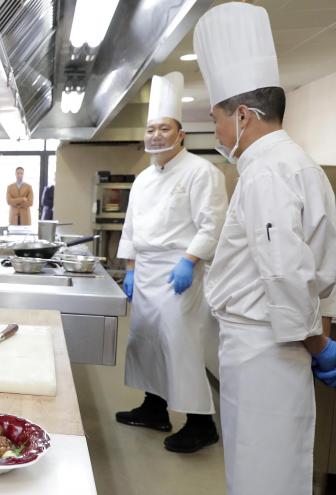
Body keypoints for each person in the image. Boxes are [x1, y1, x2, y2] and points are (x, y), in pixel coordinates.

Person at [195, 4, 336, 493]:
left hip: (266, 347)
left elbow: (286, 271)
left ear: (242, 115)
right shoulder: (293, 163)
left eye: (215, 119)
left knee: (263, 471)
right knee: (268, 464)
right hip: (271, 342)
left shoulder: (266, 172)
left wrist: (317, 342)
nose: (215, 132)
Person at [115, 71, 228, 454]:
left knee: (179, 345)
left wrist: (188, 260)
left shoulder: (202, 172)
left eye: (164, 128)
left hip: (181, 272)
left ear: (181, 134)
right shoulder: (144, 178)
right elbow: (130, 228)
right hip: (145, 271)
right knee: (146, 340)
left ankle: (201, 424)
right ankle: (154, 408)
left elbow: (213, 224)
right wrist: (129, 271)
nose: (155, 135)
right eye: (150, 129)